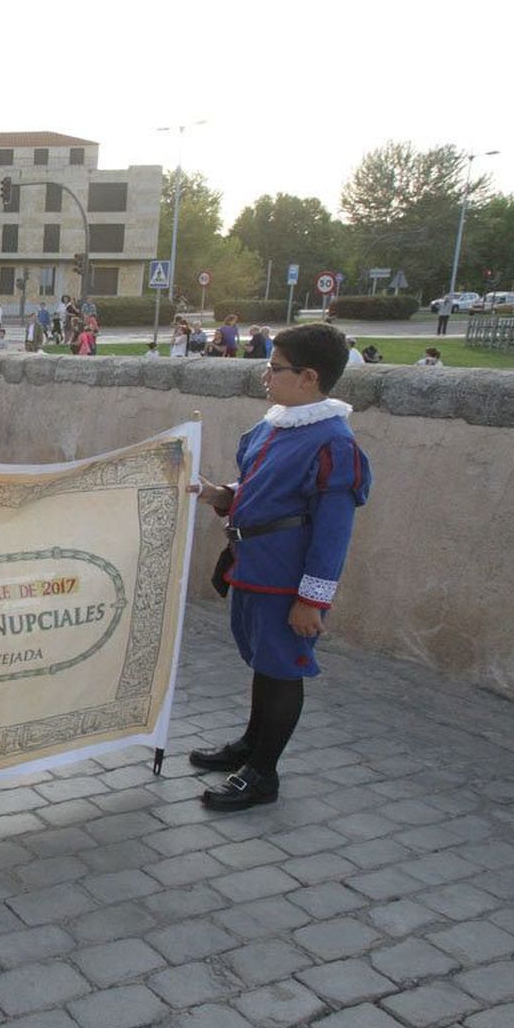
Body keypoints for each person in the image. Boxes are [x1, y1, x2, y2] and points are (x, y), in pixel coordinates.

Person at [189, 322, 372, 810]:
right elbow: (258, 490)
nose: (266, 377)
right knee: (263, 665)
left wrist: (312, 599)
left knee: (282, 670)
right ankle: (251, 744)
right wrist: (218, 494)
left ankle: (264, 773)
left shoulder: (333, 442)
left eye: (275, 368)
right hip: (254, 566)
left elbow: (333, 531)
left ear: (308, 377)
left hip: (285, 579)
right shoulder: (276, 425)